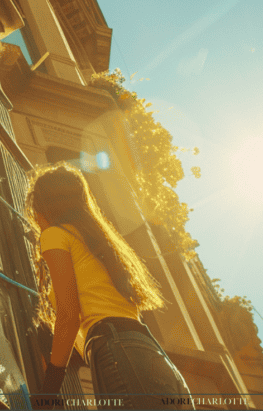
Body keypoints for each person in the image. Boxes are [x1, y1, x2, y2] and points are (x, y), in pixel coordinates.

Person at [26, 163, 194, 410]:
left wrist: (49, 391)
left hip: (118, 352)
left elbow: (69, 316)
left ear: (43, 207)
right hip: (154, 356)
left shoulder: (54, 235)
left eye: (34, 210)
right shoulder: (100, 243)